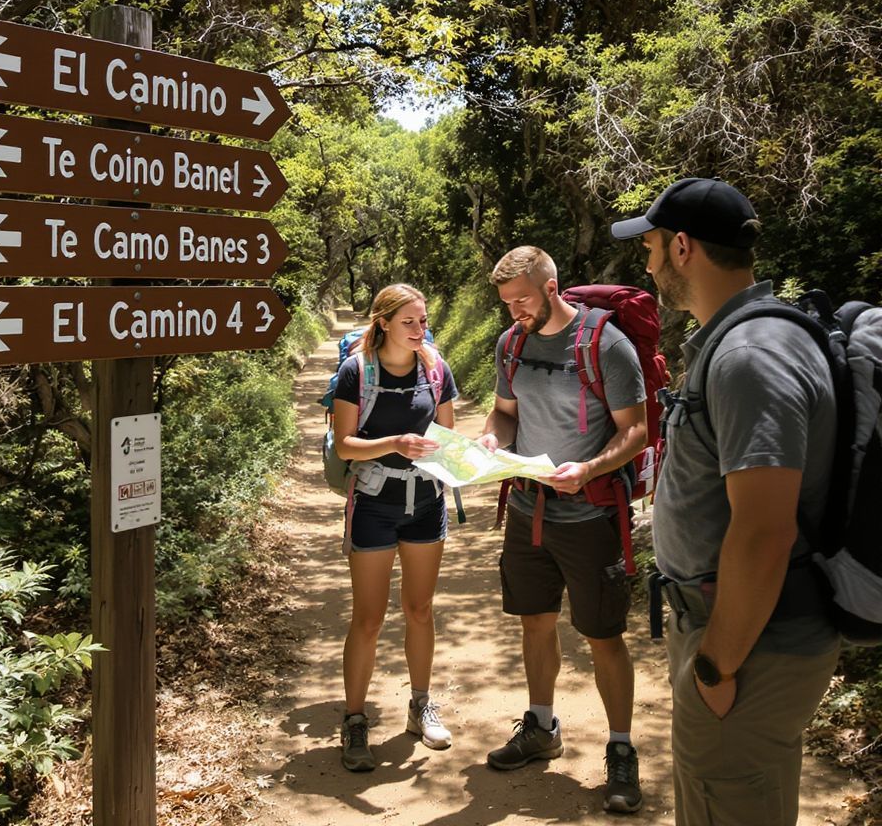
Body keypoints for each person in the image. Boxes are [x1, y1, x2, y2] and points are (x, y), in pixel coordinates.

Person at [610, 177, 840, 826]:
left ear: (683, 248)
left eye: (652, 247)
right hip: (739, 632)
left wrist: (716, 665)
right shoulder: (738, 341)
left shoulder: (749, 356)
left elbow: (764, 532)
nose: (649, 265)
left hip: (750, 646)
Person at [480, 247, 648, 814]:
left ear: (552, 288)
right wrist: (490, 439)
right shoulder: (512, 345)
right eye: (505, 304)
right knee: (535, 621)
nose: (513, 314)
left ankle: (621, 751)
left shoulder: (606, 345)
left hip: (590, 514)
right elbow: (505, 412)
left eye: (521, 300)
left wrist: (592, 469)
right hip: (528, 510)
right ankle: (542, 726)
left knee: (603, 636)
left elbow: (636, 431)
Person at [332, 283, 459, 772]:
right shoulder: (356, 371)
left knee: (420, 609)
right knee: (368, 618)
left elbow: (446, 440)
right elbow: (345, 445)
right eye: (408, 322)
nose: (419, 330)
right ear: (382, 322)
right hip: (374, 503)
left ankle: (420, 705)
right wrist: (394, 443)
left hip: (426, 501)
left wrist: (473, 456)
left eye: (423, 321)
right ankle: (356, 719)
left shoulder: (436, 368)